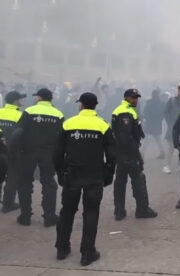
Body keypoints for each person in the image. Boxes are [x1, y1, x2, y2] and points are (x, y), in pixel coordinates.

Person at [54, 92, 115, 266]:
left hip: (72, 175)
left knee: (67, 211)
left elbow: (57, 153)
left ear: (80, 105)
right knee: (91, 213)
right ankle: (87, 253)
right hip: (94, 176)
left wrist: (59, 172)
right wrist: (109, 173)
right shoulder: (102, 125)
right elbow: (112, 154)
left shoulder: (68, 124)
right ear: (95, 106)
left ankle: (62, 248)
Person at [14, 88, 64, 226]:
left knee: (24, 183)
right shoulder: (58, 114)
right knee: (48, 184)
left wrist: (16, 150)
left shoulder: (29, 111)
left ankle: (25, 217)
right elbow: (62, 137)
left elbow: (18, 132)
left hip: (28, 152)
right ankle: (49, 217)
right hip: (48, 154)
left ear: (40, 98)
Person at [111, 89, 158, 221]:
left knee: (121, 181)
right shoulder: (124, 112)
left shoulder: (125, 110)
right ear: (126, 98)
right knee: (138, 179)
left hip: (121, 152)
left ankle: (119, 211)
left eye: (136, 97)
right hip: (128, 153)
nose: (135, 100)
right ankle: (142, 210)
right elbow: (125, 136)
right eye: (132, 97)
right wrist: (135, 154)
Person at [0, 90, 25, 212]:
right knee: (12, 178)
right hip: (13, 151)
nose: (22, 101)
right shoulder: (20, 116)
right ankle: (7, 204)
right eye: (21, 99)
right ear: (16, 101)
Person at [163, 85, 180, 174]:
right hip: (173, 127)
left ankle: (179, 165)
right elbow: (166, 112)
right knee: (170, 147)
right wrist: (170, 123)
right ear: (178, 91)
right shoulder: (172, 101)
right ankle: (167, 166)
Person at [142, 89, 165, 160]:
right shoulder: (161, 103)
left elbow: (145, 112)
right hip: (157, 123)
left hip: (150, 123)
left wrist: (145, 118)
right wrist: (160, 119)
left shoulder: (149, 102)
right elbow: (163, 113)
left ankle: (142, 154)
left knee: (147, 139)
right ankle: (162, 153)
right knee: (158, 138)